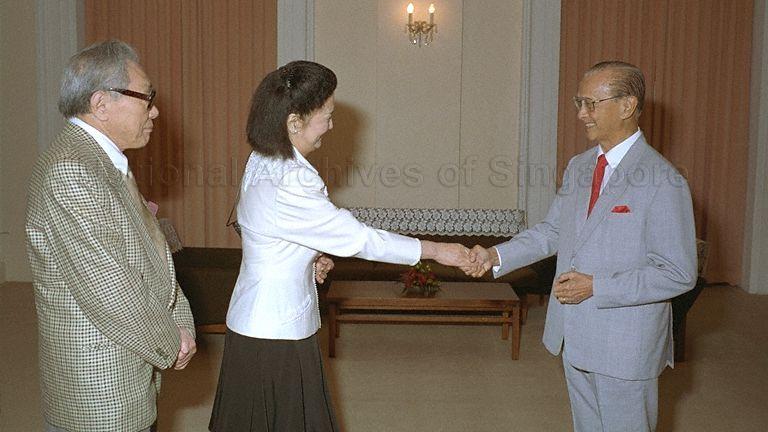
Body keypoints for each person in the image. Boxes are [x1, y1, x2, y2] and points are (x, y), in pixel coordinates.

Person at [208, 60, 473, 432]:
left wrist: (308, 253)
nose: (331, 126)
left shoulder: (262, 158)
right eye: (327, 117)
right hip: (277, 332)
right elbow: (360, 239)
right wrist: (438, 250)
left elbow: (262, 224)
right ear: (294, 122)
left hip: (253, 321)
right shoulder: (294, 179)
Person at [470, 61, 697, 431]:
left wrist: (597, 287)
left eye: (591, 104)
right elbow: (552, 231)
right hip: (574, 335)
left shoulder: (664, 180)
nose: (581, 114)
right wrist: (496, 255)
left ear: (627, 105)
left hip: (625, 346)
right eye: (579, 103)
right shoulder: (579, 167)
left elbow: (678, 273)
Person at [25, 40, 197, 432]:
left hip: (125, 364)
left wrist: (180, 322)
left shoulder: (100, 160)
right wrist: (171, 341)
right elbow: (110, 286)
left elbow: (147, 254)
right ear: (101, 104)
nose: (155, 110)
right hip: (99, 386)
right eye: (147, 98)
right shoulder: (72, 170)